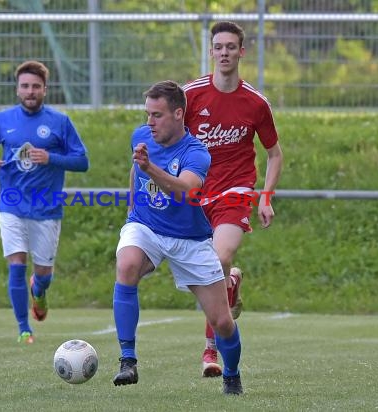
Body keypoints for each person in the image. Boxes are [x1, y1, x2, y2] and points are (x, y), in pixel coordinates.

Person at [112, 80, 243, 395]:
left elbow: (186, 189)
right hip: (146, 226)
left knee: (222, 322)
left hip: (190, 239)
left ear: (178, 114)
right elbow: (135, 171)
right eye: (147, 114)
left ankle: (232, 375)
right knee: (127, 264)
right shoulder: (141, 137)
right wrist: (133, 209)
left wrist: (150, 167)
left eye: (157, 115)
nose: (149, 122)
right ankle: (127, 360)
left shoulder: (196, 152)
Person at [183, 21, 283, 377]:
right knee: (207, 273)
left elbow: (274, 153)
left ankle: (210, 350)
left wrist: (265, 197)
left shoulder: (255, 102)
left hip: (235, 191)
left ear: (242, 52)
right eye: (218, 46)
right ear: (211, 51)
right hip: (195, 194)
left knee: (218, 257)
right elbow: (168, 139)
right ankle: (231, 284)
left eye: (231, 47)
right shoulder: (190, 96)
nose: (224, 52)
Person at [0, 60, 89, 344]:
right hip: (11, 204)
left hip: (47, 207)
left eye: (36, 86)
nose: (30, 91)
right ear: (17, 89)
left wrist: (51, 158)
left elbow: (82, 161)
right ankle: (24, 328)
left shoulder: (60, 122)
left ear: (45, 89)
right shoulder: (2, 121)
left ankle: (40, 289)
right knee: (16, 264)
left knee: (43, 273)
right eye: (25, 86)